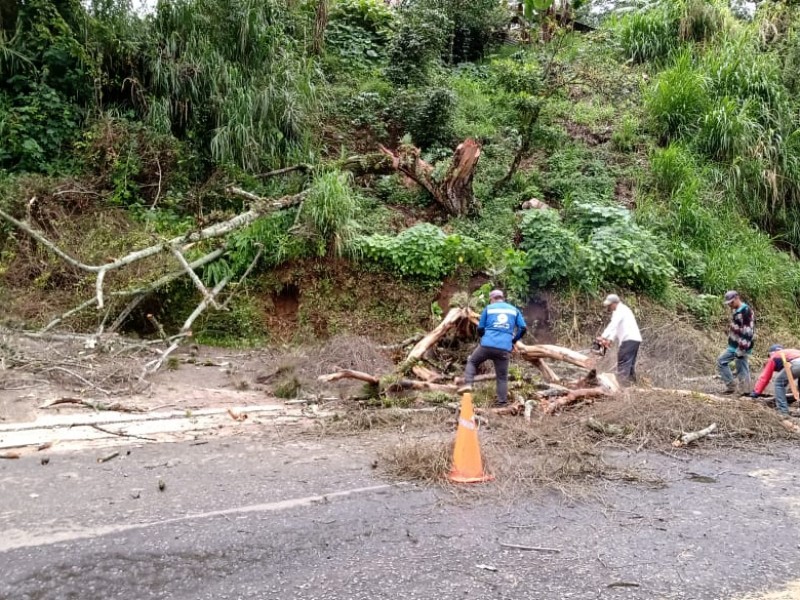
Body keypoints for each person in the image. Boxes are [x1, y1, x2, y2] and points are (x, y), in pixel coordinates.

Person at [458, 289, 527, 406]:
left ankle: (468, 385)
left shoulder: (488, 309)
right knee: (502, 377)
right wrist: (513, 341)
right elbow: (523, 328)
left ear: (492, 299)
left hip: (486, 345)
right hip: (504, 348)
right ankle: (502, 403)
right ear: (502, 298)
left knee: (472, 362)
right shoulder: (514, 310)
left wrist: (483, 337)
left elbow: (480, 328)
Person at [597, 294, 642, 385]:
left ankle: (622, 387)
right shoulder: (619, 311)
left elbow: (613, 325)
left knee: (623, 362)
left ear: (614, 303)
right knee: (630, 364)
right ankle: (633, 386)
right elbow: (616, 328)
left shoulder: (621, 310)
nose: (608, 307)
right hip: (634, 339)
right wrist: (609, 340)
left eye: (609, 305)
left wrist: (603, 337)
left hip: (629, 339)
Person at [718, 290, 755, 394]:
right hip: (734, 345)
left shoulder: (746, 311)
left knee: (741, 367)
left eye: (732, 302)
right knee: (723, 361)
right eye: (729, 303)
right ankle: (733, 387)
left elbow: (748, 331)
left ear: (737, 298)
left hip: (741, 346)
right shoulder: (737, 310)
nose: (730, 305)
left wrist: (742, 348)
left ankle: (745, 391)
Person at [750, 344, 800, 417]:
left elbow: (764, 377)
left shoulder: (774, 356)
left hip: (797, 363)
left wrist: (755, 393)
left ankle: (783, 411)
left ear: (771, 353)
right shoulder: (789, 352)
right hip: (797, 361)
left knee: (779, 383)